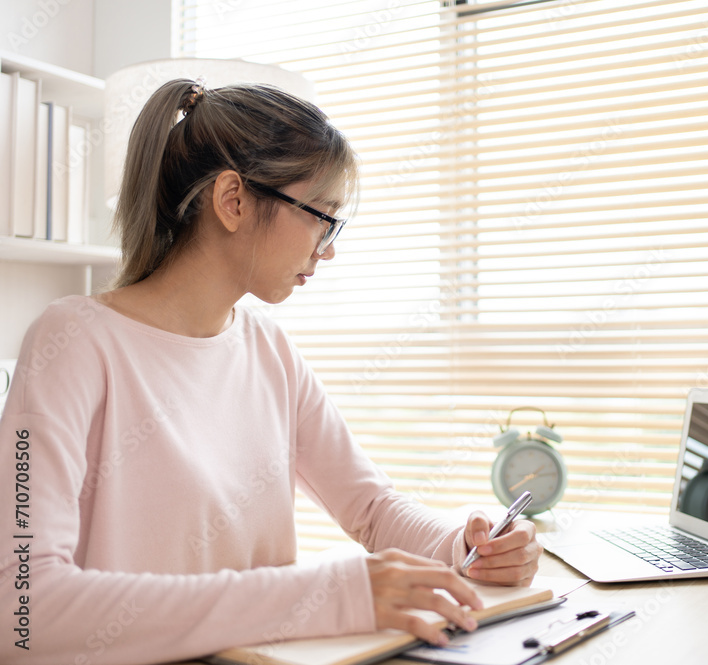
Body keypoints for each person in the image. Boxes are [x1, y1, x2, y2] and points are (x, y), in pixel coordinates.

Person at [0, 79, 541, 665]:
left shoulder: (268, 350)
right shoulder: (74, 342)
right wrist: (324, 595)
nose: (327, 249)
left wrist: (466, 543)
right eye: (321, 218)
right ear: (233, 200)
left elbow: (372, 508)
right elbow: (23, 609)